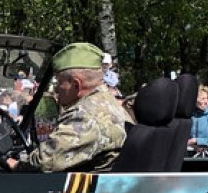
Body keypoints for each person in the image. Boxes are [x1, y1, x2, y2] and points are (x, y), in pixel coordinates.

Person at [7, 43, 129, 172]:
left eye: (60, 82)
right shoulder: (108, 102)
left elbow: (45, 161)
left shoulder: (85, 115)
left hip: (82, 190)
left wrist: (15, 165)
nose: (56, 88)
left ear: (76, 85)